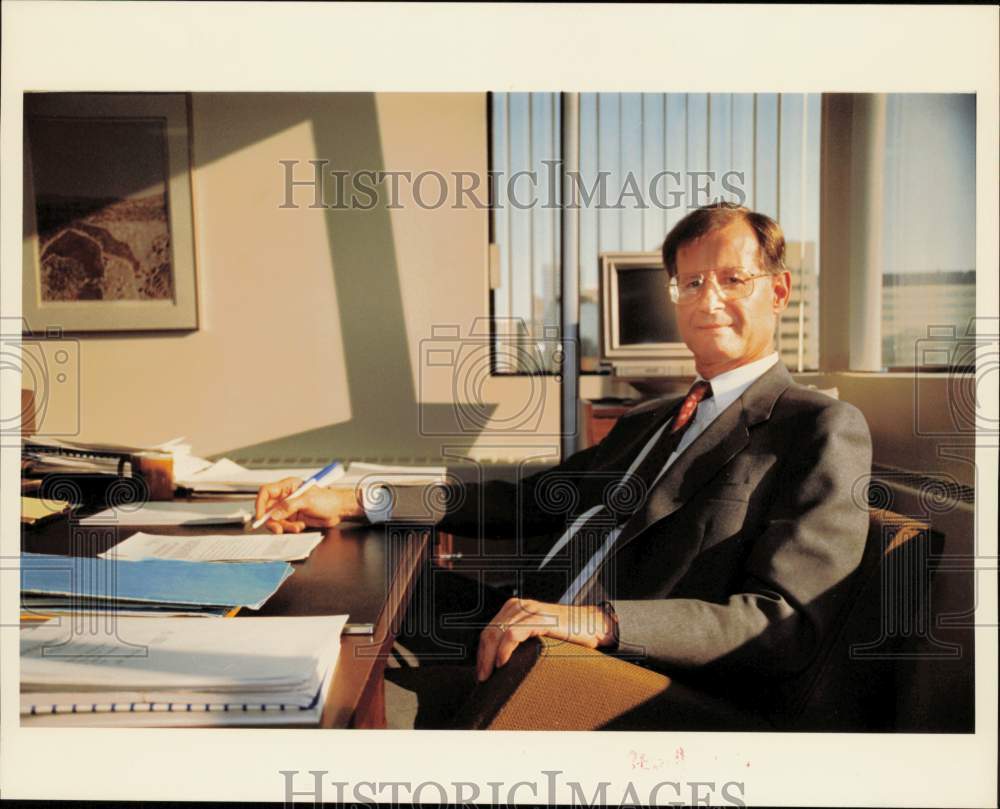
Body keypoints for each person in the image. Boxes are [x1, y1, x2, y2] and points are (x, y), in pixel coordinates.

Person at [255, 203, 872, 727]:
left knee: (321, 704)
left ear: (780, 290)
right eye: (691, 283)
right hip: (527, 621)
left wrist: (593, 623)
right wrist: (362, 499)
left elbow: (782, 625)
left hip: (623, 675)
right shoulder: (654, 420)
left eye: (733, 279)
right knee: (319, 605)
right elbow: (524, 499)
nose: (708, 300)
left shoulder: (818, 427)